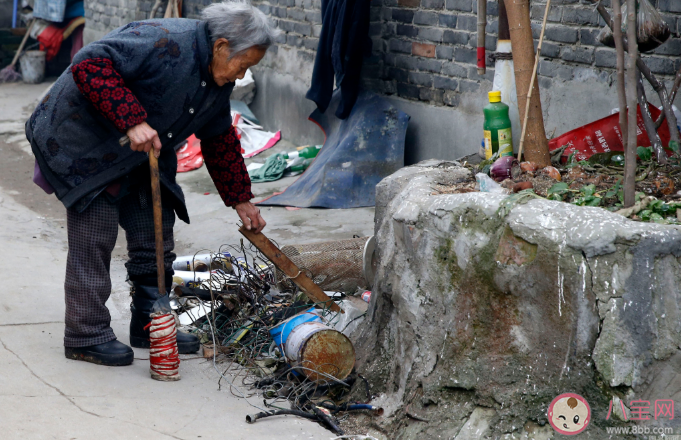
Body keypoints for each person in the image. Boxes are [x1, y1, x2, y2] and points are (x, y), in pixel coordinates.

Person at [25, 0, 279, 366]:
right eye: (244, 65)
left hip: (142, 151)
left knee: (155, 236)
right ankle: (85, 334)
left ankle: (151, 325)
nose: (241, 76)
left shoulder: (216, 80)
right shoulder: (161, 39)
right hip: (81, 140)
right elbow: (89, 64)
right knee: (95, 236)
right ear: (222, 46)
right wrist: (131, 119)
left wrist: (241, 198)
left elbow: (220, 138)